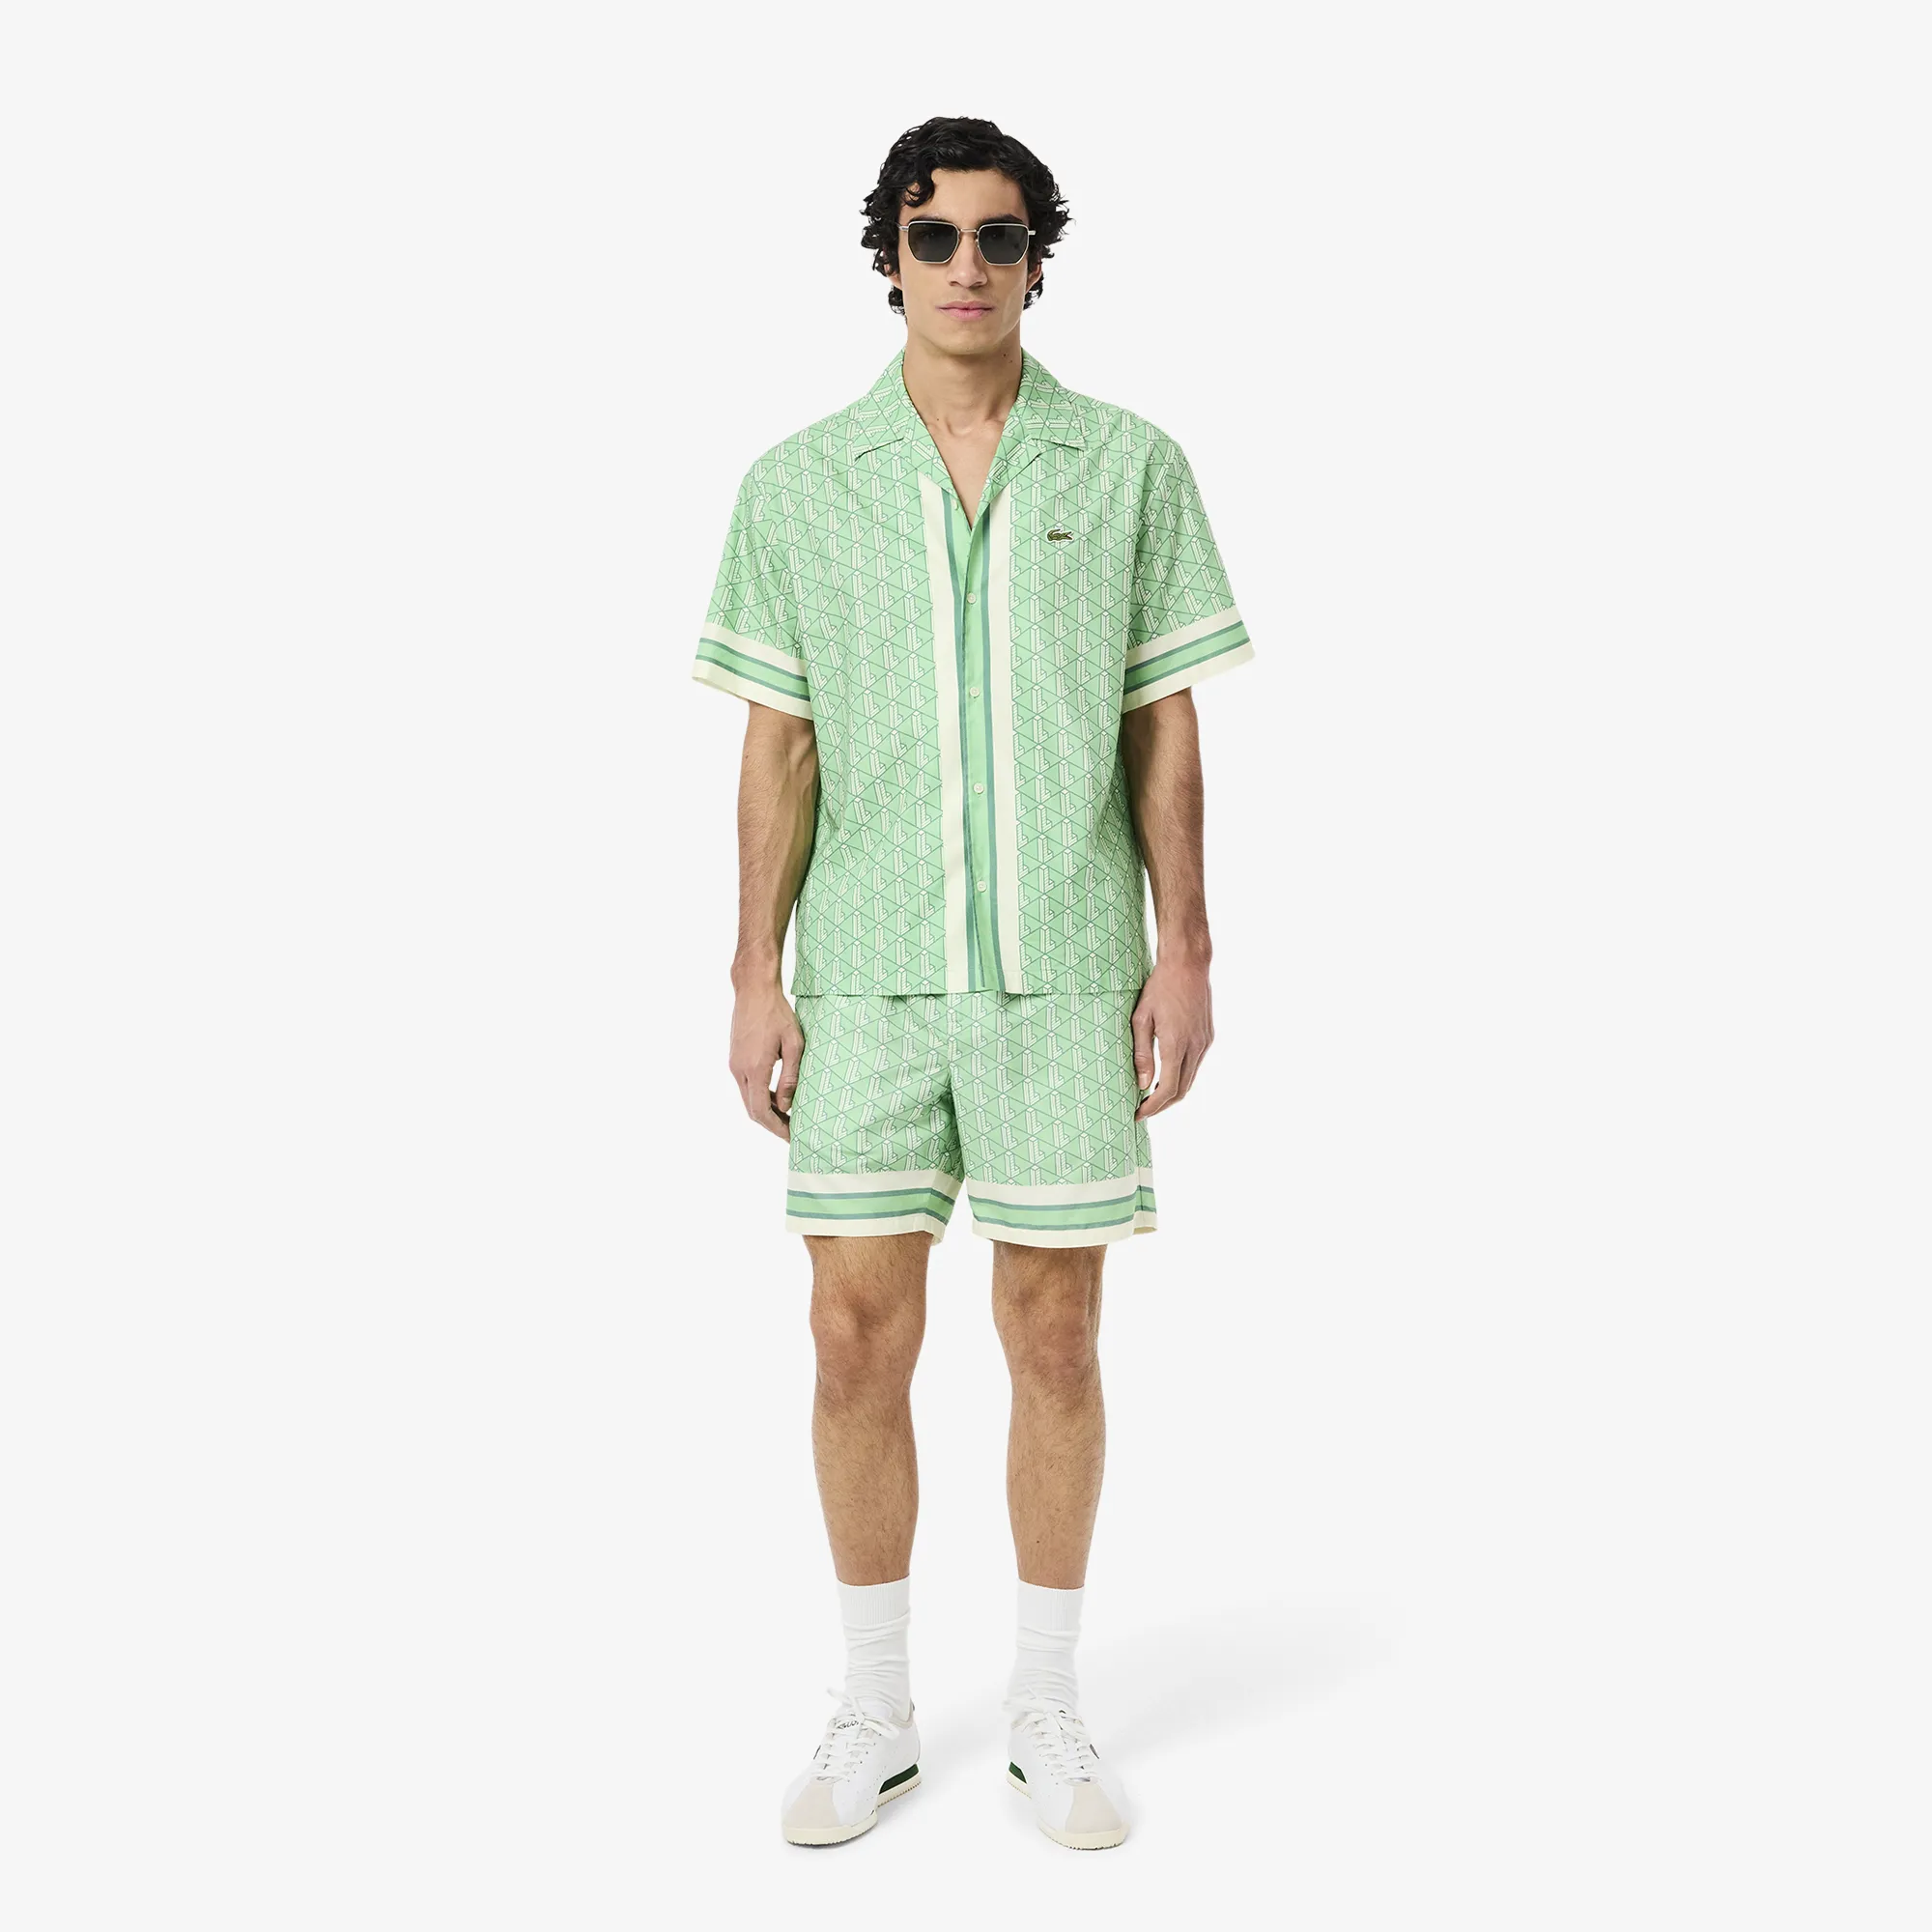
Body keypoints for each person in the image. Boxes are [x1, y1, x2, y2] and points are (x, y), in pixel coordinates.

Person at [692, 116, 1253, 1850]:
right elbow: (778, 746)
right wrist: (752, 974)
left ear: (1035, 260)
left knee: (1056, 1337)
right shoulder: (799, 482)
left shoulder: (1129, 465)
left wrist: (1185, 946)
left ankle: (1047, 1707)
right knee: (851, 1335)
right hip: (863, 981)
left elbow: (1164, 722)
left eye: (997, 238)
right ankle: (875, 1706)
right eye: (932, 236)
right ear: (889, 257)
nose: (964, 266)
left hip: (1065, 973)